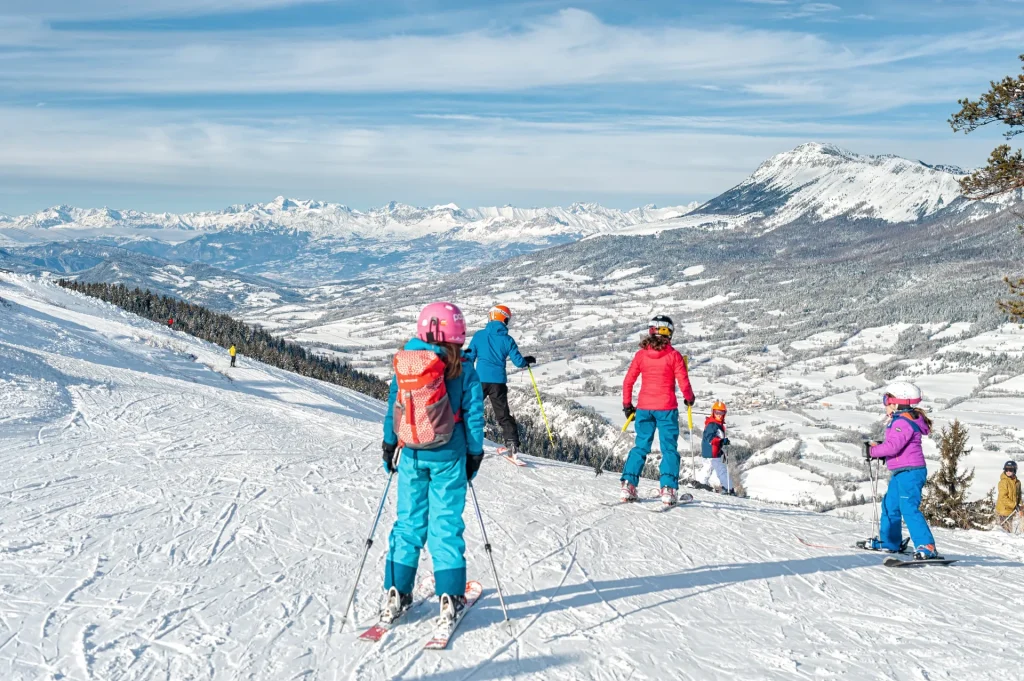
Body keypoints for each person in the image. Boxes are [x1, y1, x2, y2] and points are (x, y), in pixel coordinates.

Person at [380, 302, 486, 629]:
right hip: (448, 457)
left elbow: (394, 407)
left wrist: (389, 445)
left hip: (411, 453)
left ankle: (396, 592)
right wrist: (474, 455)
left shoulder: (407, 364)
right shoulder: (465, 370)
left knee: (408, 523)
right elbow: (474, 418)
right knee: (444, 524)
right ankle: (450, 596)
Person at [621, 315, 695, 505]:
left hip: (644, 408)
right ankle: (668, 489)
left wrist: (627, 405)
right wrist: (689, 398)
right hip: (667, 408)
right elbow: (683, 382)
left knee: (641, 446)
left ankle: (629, 484)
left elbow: (628, 381)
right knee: (669, 448)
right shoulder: (674, 356)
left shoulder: (641, 355)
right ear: (669, 333)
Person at [866, 382, 940, 559]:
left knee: (908, 507)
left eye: (887, 400)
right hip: (902, 471)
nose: (885, 404)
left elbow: (893, 447)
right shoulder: (902, 420)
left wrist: (872, 451)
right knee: (890, 505)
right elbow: (897, 448)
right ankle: (890, 541)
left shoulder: (902, 422)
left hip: (911, 472)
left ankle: (927, 546)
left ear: (898, 402)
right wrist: (880, 449)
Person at [467, 304, 535, 460]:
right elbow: (519, 362)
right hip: (498, 383)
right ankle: (512, 445)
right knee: (503, 415)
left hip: (480, 381)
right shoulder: (507, 340)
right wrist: (526, 361)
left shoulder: (479, 336)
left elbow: (469, 357)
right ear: (503, 318)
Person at [700, 401, 734, 495]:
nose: (719, 415)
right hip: (712, 452)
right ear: (713, 412)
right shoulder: (712, 424)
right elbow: (710, 438)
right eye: (717, 412)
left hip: (711, 452)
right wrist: (721, 441)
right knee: (721, 469)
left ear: (724, 414)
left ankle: (701, 483)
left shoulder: (716, 424)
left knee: (707, 468)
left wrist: (722, 444)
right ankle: (728, 488)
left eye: (721, 413)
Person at [997, 460, 1021, 532]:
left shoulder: (1017, 482)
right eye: (1006, 469)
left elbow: (1018, 495)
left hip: (1011, 511)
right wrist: (1014, 505)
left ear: (1014, 470)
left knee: (1009, 531)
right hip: (1003, 511)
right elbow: (1003, 497)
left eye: (1010, 469)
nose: (1008, 471)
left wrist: (1020, 505)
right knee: (1005, 533)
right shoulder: (1003, 482)